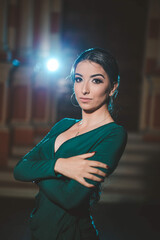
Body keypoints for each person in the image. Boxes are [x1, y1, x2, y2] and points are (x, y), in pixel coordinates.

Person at [14, 47, 127, 240]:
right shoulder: (63, 125)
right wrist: (60, 165)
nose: (84, 89)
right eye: (78, 79)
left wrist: (38, 170)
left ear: (113, 87)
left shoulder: (113, 134)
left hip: (71, 233)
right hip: (37, 229)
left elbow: (71, 198)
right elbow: (19, 170)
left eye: (96, 80)